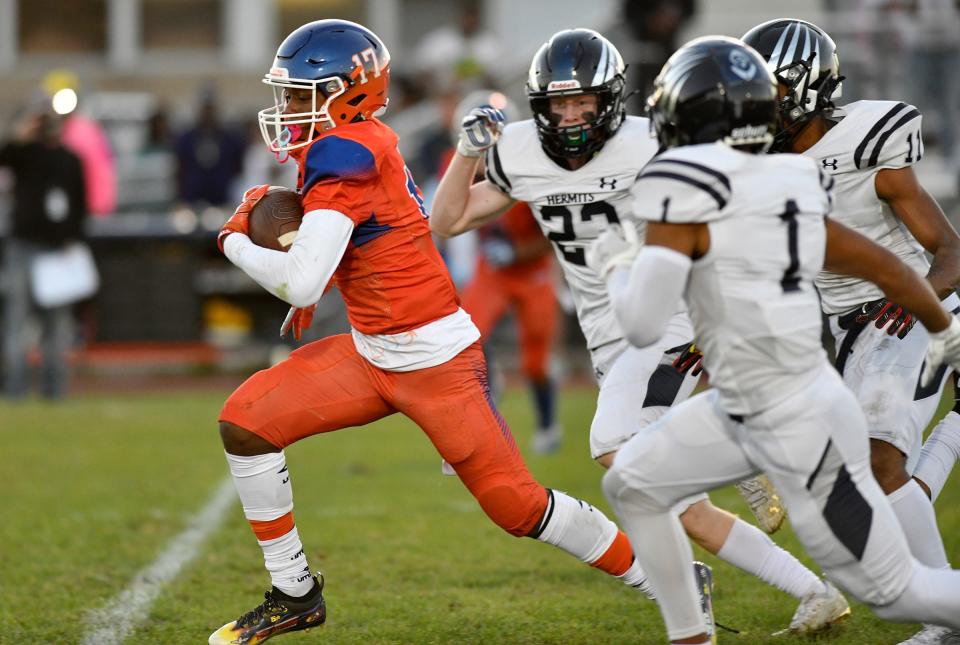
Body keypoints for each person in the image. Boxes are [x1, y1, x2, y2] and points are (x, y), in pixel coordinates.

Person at [209, 19, 673, 645]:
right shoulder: (343, 143)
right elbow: (349, 253)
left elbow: (301, 281)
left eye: (300, 94)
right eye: (286, 93)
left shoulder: (344, 151)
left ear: (347, 91)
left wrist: (233, 238)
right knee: (246, 421)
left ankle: (662, 578)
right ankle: (295, 593)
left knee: (518, 507)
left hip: (434, 361)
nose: (287, 108)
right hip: (374, 352)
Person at [431, 27, 850, 634]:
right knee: (677, 504)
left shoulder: (651, 139)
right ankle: (815, 591)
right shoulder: (518, 150)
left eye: (584, 103)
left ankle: (751, 450)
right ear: (539, 105)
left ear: (613, 100)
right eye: (559, 104)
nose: (571, 116)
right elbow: (449, 220)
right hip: (607, 328)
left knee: (613, 445)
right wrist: (467, 152)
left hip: (673, 311)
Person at [592, 35, 960, 645]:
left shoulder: (682, 194)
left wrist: (617, 263)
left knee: (893, 593)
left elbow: (641, 324)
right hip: (752, 400)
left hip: (795, 415)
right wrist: (943, 330)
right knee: (632, 481)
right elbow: (886, 266)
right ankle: (691, 636)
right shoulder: (786, 183)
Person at [743, 19, 960, 644]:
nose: (761, 106)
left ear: (810, 88)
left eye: (774, 90)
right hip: (842, 330)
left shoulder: (866, 147)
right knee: (859, 486)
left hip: (907, 311)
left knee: (880, 460)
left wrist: (922, 294)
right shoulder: (758, 162)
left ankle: (942, 618)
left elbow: (949, 249)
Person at [1, 108, 87, 400]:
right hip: (24, 246)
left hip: (55, 252)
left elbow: (79, 206)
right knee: (18, 319)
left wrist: (70, 240)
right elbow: (6, 155)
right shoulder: (26, 154)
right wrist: (22, 132)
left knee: (56, 324)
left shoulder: (71, 160)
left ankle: (54, 389)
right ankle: (15, 388)